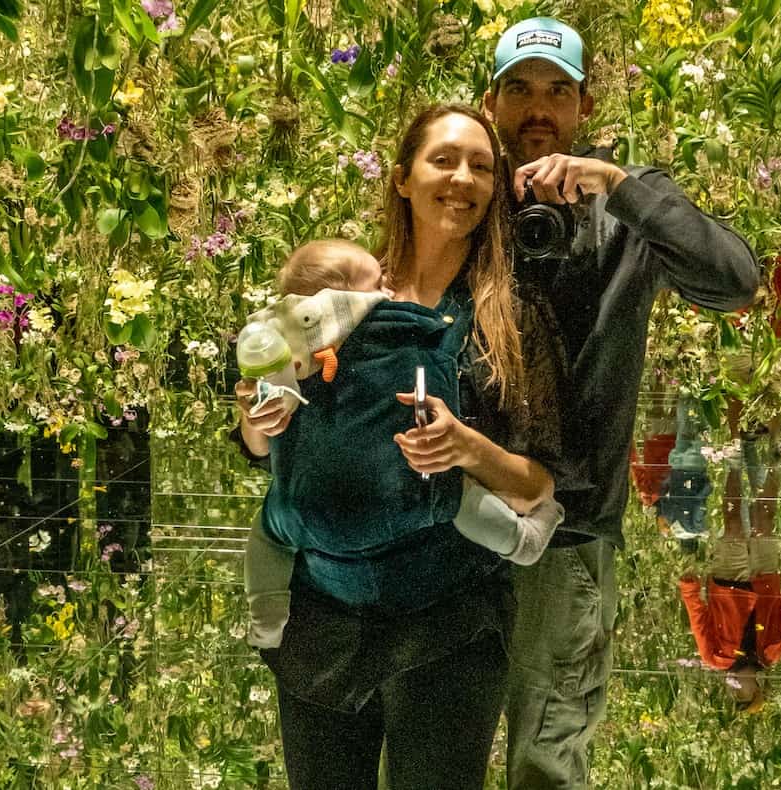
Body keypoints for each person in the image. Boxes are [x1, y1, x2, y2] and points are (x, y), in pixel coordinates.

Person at [234, 103, 567, 789]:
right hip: (322, 622)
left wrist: (464, 445)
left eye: (481, 165)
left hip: (448, 628)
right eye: (443, 159)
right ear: (402, 180)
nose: (462, 177)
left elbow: (536, 489)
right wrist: (256, 420)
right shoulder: (332, 288)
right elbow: (265, 446)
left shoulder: (512, 318)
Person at [480, 17, 761, 788]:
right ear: (491, 100)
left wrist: (621, 190)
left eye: (557, 92)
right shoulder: (464, 190)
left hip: (567, 528)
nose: (538, 109)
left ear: (584, 106)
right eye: (520, 90)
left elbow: (734, 282)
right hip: (448, 520)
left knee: (547, 753)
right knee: (430, 752)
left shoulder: (627, 204)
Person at [241, 239, 566, 649]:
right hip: (406, 518)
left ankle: (265, 620)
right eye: (378, 282)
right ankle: (521, 542)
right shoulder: (402, 324)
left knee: (268, 533)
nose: (387, 290)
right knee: (452, 496)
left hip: (304, 519)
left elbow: (263, 450)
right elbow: (256, 444)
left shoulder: (280, 341)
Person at [679, 443, 781, 713]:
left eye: (732, 694)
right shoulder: (770, 655)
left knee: (733, 524)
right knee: (764, 521)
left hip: (727, 584)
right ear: (757, 688)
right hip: (765, 580)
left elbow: (699, 621)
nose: (734, 687)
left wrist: (690, 590)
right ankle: (775, 465)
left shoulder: (715, 658)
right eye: (743, 694)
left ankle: (734, 465)